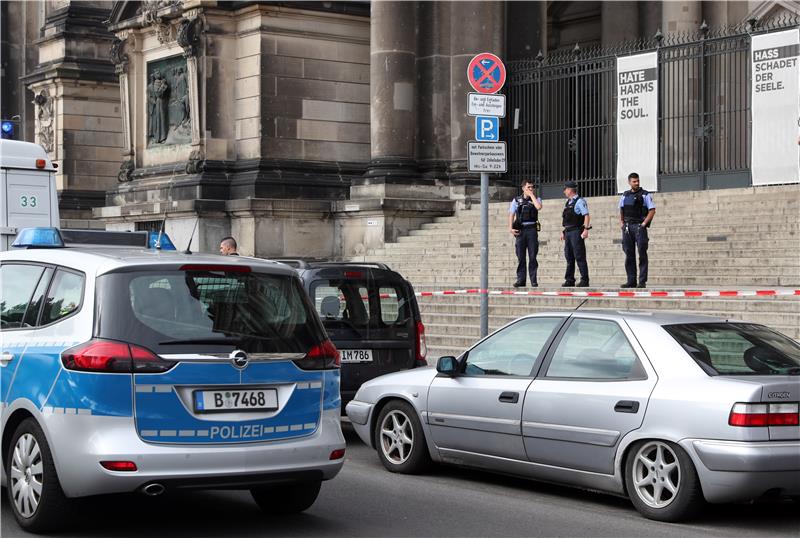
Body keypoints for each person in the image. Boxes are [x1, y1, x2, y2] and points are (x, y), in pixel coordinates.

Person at [619, 172, 656, 288]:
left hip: (639, 227)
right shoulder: (625, 195)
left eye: (638, 181)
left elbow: (652, 210)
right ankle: (631, 281)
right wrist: (622, 222)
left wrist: (644, 224)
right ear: (629, 182)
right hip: (627, 227)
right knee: (629, 254)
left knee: (642, 254)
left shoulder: (645, 195)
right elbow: (621, 209)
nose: (637, 183)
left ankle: (642, 281)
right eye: (634, 181)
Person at [508, 179, 543, 287]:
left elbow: (539, 207)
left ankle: (533, 280)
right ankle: (521, 280)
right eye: (528, 187)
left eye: (532, 187)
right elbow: (511, 214)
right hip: (521, 230)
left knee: (533, 256)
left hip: (532, 230)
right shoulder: (516, 200)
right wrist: (510, 228)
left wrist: (531, 195)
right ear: (523, 188)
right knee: (521, 257)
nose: (531, 189)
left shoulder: (536, 199)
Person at [560, 180, 590, 287]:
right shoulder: (568, 202)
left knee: (579, 255)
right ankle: (570, 279)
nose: (564, 191)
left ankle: (584, 279)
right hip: (568, 232)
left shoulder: (579, 201)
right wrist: (563, 231)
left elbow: (586, 215)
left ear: (570, 190)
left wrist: (586, 229)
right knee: (569, 256)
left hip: (576, 231)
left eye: (565, 189)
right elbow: (567, 220)